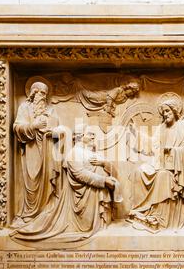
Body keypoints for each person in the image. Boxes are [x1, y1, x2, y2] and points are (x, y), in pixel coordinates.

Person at [10, 125, 122, 244]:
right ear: (80, 136)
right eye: (90, 133)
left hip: (100, 197)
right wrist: (103, 181)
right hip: (86, 201)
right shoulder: (74, 153)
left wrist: (104, 163)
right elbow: (79, 174)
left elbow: (114, 171)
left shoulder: (95, 153)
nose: (93, 136)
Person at [128, 93, 184, 232]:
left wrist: (173, 150)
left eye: (167, 111)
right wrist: (136, 132)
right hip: (160, 164)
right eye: (163, 112)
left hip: (176, 170)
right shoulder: (162, 128)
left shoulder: (183, 126)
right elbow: (151, 144)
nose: (165, 114)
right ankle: (144, 210)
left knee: (162, 176)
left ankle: (161, 217)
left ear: (174, 111)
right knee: (139, 171)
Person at [10, 81, 63, 228]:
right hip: (32, 149)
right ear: (33, 92)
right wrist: (34, 126)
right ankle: (29, 213)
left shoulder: (51, 110)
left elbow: (58, 128)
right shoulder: (25, 108)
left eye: (45, 94)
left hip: (48, 150)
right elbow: (17, 128)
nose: (43, 97)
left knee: (47, 180)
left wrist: (53, 131)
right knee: (32, 181)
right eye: (40, 93)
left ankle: (45, 212)